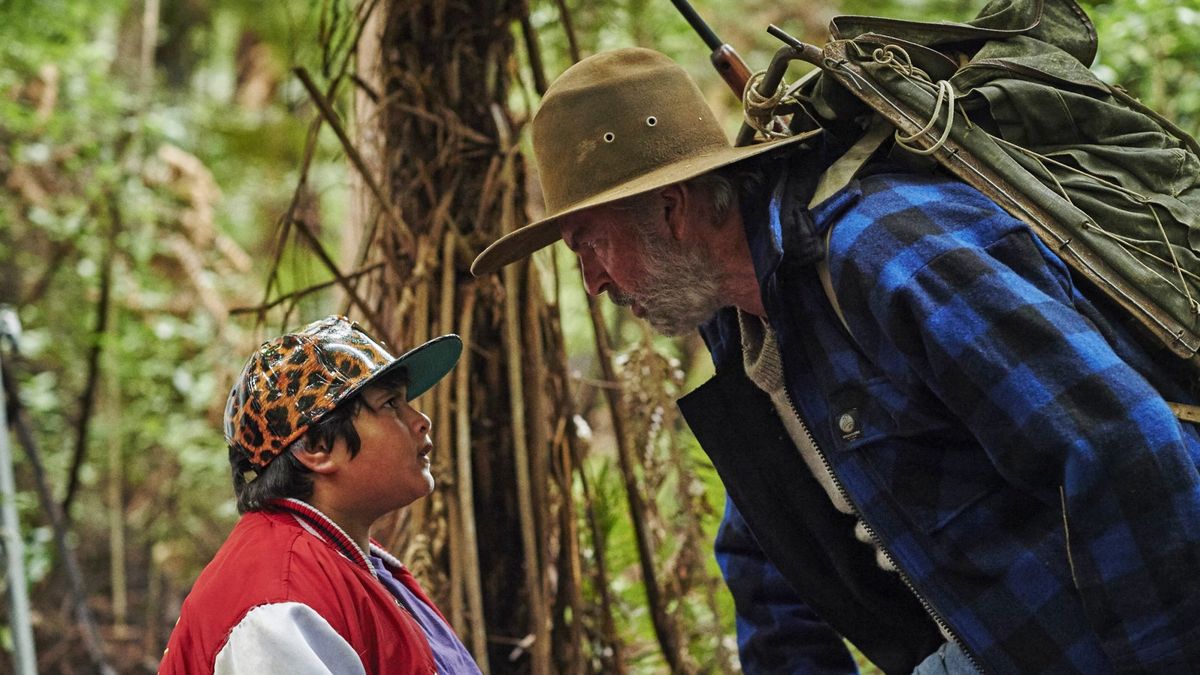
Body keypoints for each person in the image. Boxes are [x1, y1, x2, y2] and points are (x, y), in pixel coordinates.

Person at [470, 47, 1200, 673]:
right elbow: (772, 566)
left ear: (672, 209)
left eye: (589, 244)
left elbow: (1120, 443)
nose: (593, 283)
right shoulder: (744, 332)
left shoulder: (886, 253)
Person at [160, 315, 481, 675]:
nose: (421, 420)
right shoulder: (276, 606)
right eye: (390, 403)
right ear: (317, 446)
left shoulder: (353, 564)